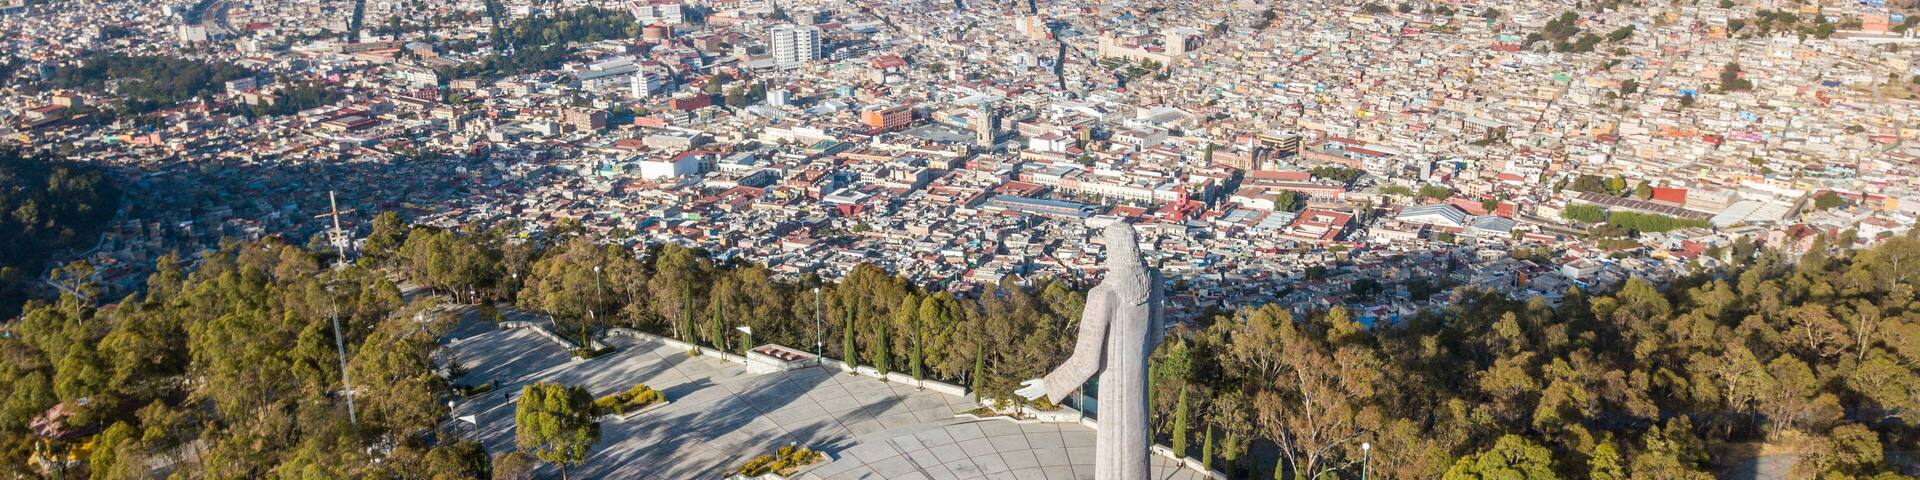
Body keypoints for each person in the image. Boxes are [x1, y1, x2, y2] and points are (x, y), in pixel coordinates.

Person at [1016, 221, 1164, 480]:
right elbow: (1156, 338)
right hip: (1138, 389)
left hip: (1113, 392)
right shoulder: (1154, 283)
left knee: (1114, 461)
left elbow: (1086, 361)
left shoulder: (1103, 295)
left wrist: (1048, 385)